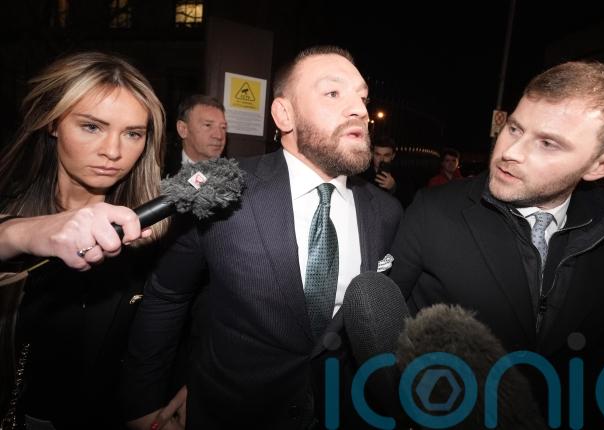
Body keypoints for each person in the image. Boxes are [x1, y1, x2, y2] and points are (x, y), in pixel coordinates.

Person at [123, 45, 403, 429]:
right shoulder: (221, 187)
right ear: (284, 114)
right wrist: (143, 404)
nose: (359, 109)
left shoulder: (386, 212)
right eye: (333, 93)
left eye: (363, 98)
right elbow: (168, 296)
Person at [390, 61, 604, 427]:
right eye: (514, 128)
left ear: (601, 166)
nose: (511, 152)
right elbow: (386, 327)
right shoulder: (433, 210)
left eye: (548, 144)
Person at [0, 51, 173, 429]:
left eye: (133, 133)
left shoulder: (158, 234)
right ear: (53, 123)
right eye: (92, 126)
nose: (113, 151)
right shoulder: (9, 205)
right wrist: (23, 232)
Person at [164, 95, 227, 177]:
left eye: (223, 127)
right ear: (183, 129)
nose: (219, 136)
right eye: (208, 125)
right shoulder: (157, 171)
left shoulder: (235, 176)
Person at [360, 136, 416, 207]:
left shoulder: (403, 175)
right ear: (372, 154)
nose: (381, 159)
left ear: (393, 156)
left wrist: (393, 187)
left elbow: (409, 201)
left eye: (386, 155)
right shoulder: (362, 174)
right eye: (378, 154)